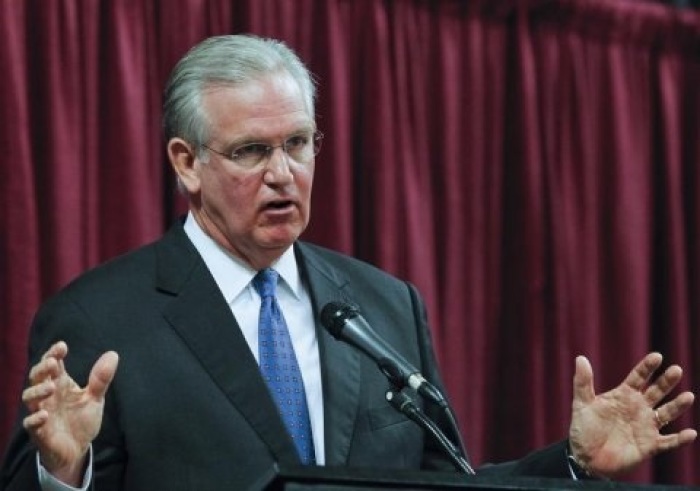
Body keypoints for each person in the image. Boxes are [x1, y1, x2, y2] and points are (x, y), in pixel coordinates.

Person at [1, 34, 696, 491]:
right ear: (187, 162)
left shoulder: (382, 304)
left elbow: (445, 483)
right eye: (251, 151)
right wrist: (63, 471)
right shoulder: (99, 317)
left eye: (298, 144)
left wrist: (571, 464)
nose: (283, 174)